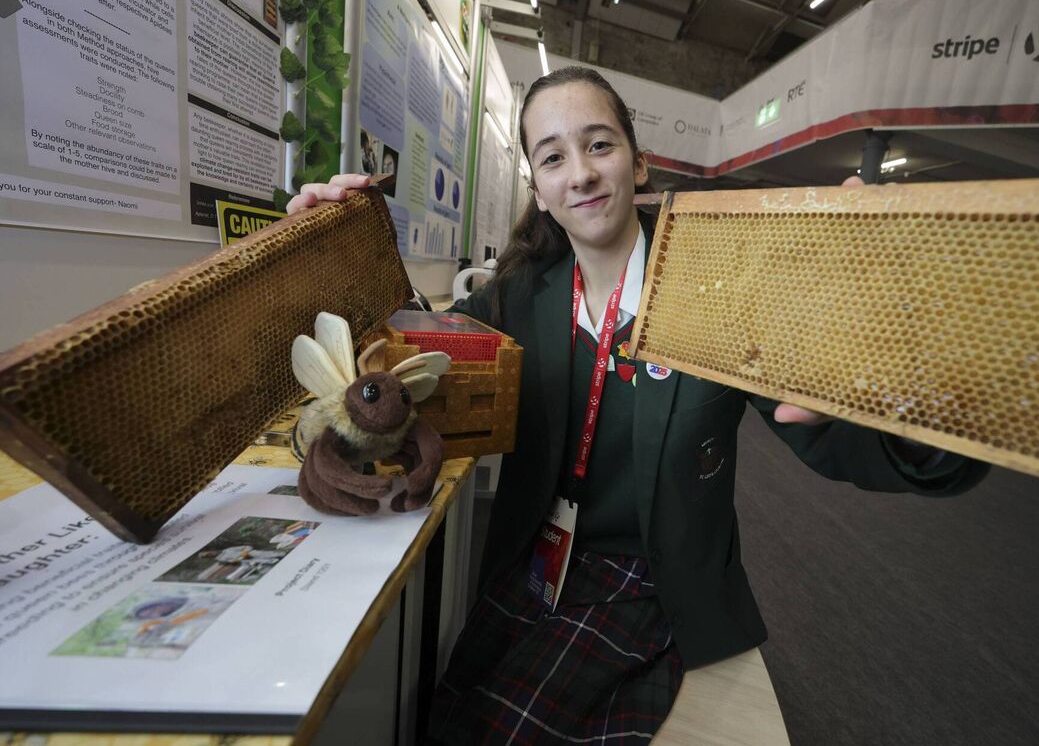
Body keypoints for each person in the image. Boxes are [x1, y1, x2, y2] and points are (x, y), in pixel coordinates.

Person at [288, 66, 989, 744]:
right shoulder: (518, 295)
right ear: (540, 187)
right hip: (533, 570)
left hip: (654, 586)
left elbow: (850, 440)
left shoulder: (715, 298)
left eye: (599, 144)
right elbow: (412, 360)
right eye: (554, 157)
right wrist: (341, 252)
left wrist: (917, 369)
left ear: (638, 163)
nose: (582, 172)